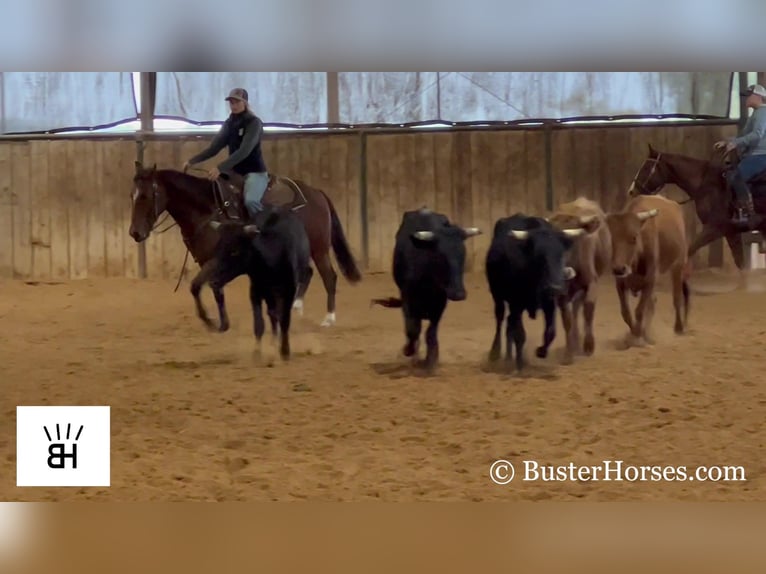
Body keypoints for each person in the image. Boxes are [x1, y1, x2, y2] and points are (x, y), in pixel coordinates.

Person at [183, 88, 269, 220]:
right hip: (235, 172)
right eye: (231, 103)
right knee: (214, 191)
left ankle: (262, 229)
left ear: (245, 103)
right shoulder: (229, 124)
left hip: (254, 172)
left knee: (251, 201)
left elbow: (244, 151)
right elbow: (214, 148)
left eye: (237, 102)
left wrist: (220, 168)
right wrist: (192, 161)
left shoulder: (254, 123)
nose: (234, 106)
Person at [714, 83, 766, 229]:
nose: (746, 98)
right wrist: (728, 142)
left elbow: (757, 135)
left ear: (758, 97)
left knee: (735, 175)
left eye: (748, 95)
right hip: (756, 155)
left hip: (761, 155)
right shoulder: (757, 114)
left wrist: (736, 143)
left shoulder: (762, 113)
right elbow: (744, 136)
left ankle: (746, 213)